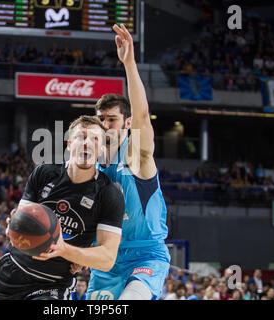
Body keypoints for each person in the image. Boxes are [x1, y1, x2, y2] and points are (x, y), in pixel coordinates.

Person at [0, 115, 125, 300]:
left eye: (95, 139)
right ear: (69, 144)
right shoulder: (44, 173)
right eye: (82, 137)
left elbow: (107, 258)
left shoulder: (108, 194)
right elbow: (19, 224)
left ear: (100, 150)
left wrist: (65, 250)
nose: (87, 143)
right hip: (12, 270)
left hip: (52, 284)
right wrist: (15, 225)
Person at [87, 24, 170, 300]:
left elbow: (143, 117)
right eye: (101, 119)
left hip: (145, 255)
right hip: (106, 258)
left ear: (127, 123)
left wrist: (129, 63)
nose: (105, 125)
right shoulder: (90, 166)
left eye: (111, 119)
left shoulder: (136, 158)